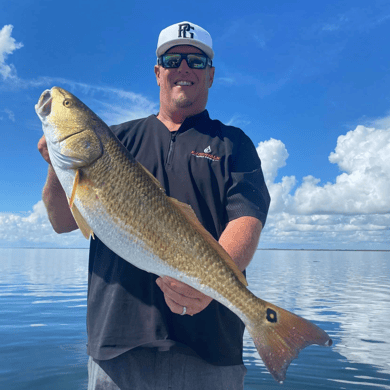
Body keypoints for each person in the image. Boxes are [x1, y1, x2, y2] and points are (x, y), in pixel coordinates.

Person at [38, 21, 270, 390]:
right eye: (172, 58)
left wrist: (208, 287)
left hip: (211, 348)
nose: (183, 68)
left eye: (196, 62)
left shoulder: (234, 143)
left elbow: (247, 216)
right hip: (117, 346)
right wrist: (57, 163)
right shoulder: (115, 139)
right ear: (158, 71)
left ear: (210, 76)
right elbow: (63, 221)